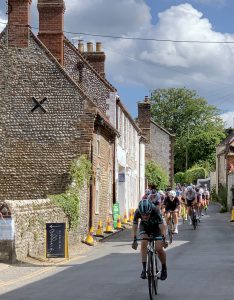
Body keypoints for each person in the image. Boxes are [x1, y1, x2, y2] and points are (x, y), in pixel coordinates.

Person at [131, 199, 168, 280]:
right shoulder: (137, 212)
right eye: (143, 215)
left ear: (150, 211)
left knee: (158, 248)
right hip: (145, 226)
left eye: (147, 214)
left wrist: (163, 239)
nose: (144, 216)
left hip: (157, 227)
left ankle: (164, 268)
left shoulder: (156, 210)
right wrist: (134, 239)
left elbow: (162, 227)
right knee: (144, 243)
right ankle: (144, 269)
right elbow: (134, 226)